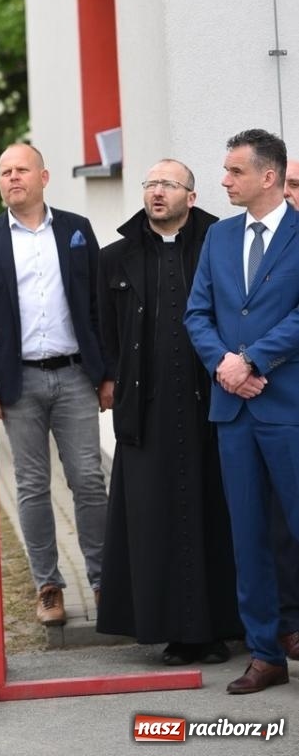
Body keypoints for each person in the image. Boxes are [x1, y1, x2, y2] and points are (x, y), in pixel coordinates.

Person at [95, 159, 240, 663]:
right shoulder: (116, 257)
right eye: (151, 184)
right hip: (147, 406)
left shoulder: (219, 246)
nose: (157, 192)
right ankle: (171, 630)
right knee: (154, 518)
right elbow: (105, 331)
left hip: (211, 403)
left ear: (191, 198)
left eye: (169, 185)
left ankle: (221, 628)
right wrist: (112, 382)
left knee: (213, 514)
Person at [0, 142, 112, 627]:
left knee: (88, 480)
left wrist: (107, 372)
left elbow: (98, 304)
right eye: (4, 171)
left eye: (21, 170)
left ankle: (104, 580)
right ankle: (48, 585)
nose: (12, 178)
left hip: (75, 375)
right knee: (30, 486)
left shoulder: (76, 230)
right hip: (19, 380)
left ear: (43, 177)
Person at [185, 128, 299, 694]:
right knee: (247, 535)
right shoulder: (220, 237)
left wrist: (253, 359)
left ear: (268, 176)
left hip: (287, 407)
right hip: (234, 411)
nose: (225, 181)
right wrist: (224, 365)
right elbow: (196, 313)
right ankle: (264, 653)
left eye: (235, 172)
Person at [271, 157, 299, 662]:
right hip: (277, 402)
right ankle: (289, 625)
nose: (291, 193)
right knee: (282, 523)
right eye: (288, 183)